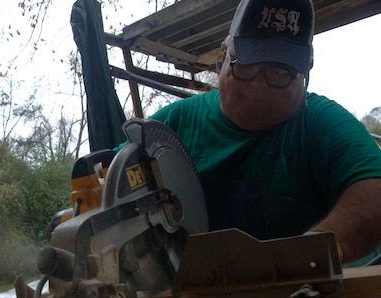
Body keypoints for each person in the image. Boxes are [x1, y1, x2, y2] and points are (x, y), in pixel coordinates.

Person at [132, 0, 381, 266]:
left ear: (306, 70)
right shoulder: (175, 123)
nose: (260, 85)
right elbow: (107, 183)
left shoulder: (321, 123)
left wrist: (313, 252)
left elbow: (375, 191)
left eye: (280, 71)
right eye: (247, 65)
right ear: (224, 55)